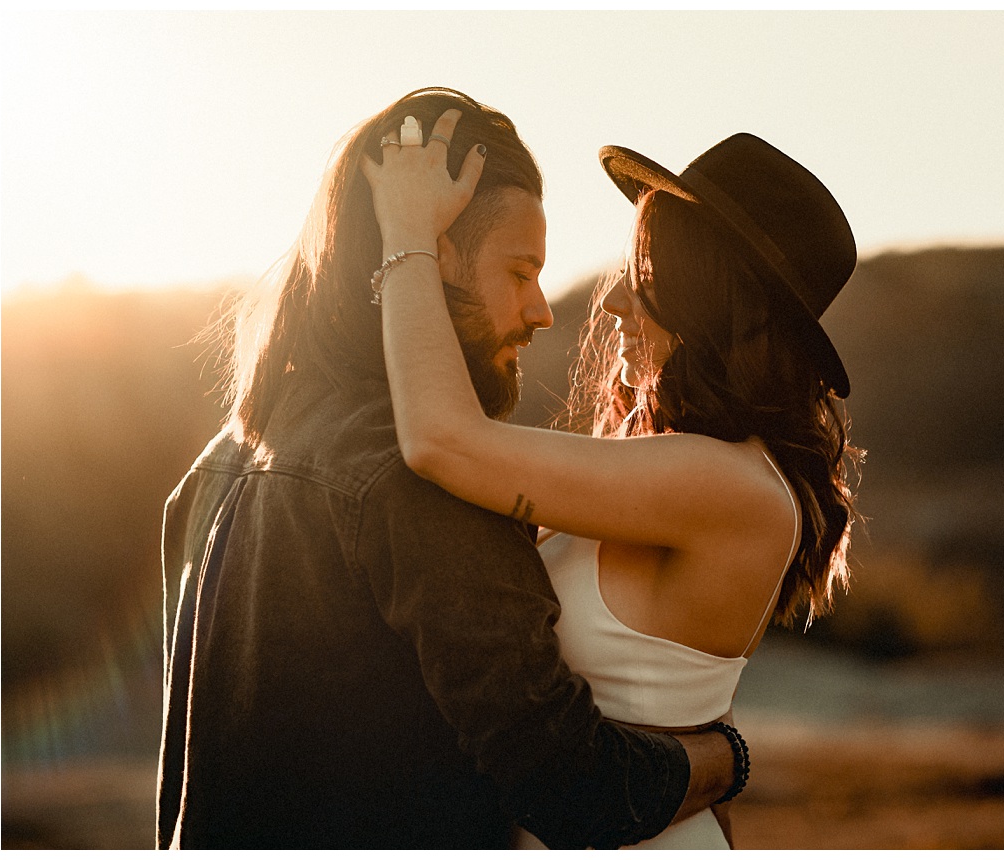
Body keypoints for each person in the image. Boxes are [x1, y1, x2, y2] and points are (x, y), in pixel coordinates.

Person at [156, 87, 742, 850]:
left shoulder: (219, 462)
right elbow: (577, 791)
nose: (541, 310)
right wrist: (726, 757)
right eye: (519, 271)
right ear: (422, 263)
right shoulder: (426, 482)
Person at [369, 112, 863, 848]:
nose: (611, 304)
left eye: (645, 279)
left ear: (713, 300)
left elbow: (443, 440)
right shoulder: (675, 468)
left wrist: (405, 236)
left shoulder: (728, 485)